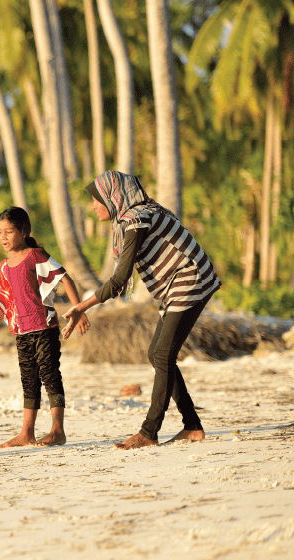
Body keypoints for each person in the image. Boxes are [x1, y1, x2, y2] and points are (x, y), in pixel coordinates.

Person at [63, 171, 221, 450]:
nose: (93, 207)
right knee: (158, 354)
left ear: (112, 199)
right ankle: (193, 426)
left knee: (162, 353)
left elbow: (119, 280)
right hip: (181, 282)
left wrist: (81, 307)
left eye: (95, 200)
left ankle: (149, 432)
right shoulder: (135, 216)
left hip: (191, 277)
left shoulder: (136, 219)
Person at [0, 207, 90, 447]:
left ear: (23, 231)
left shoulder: (36, 256)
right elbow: (1, 302)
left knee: (50, 376)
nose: (3, 237)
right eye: (0, 232)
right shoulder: (3, 268)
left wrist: (78, 310)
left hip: (44, 328)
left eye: (9, 231)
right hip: (21, 333)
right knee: (28, 380)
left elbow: (65, 278)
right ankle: (26, 433)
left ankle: (57, 430)